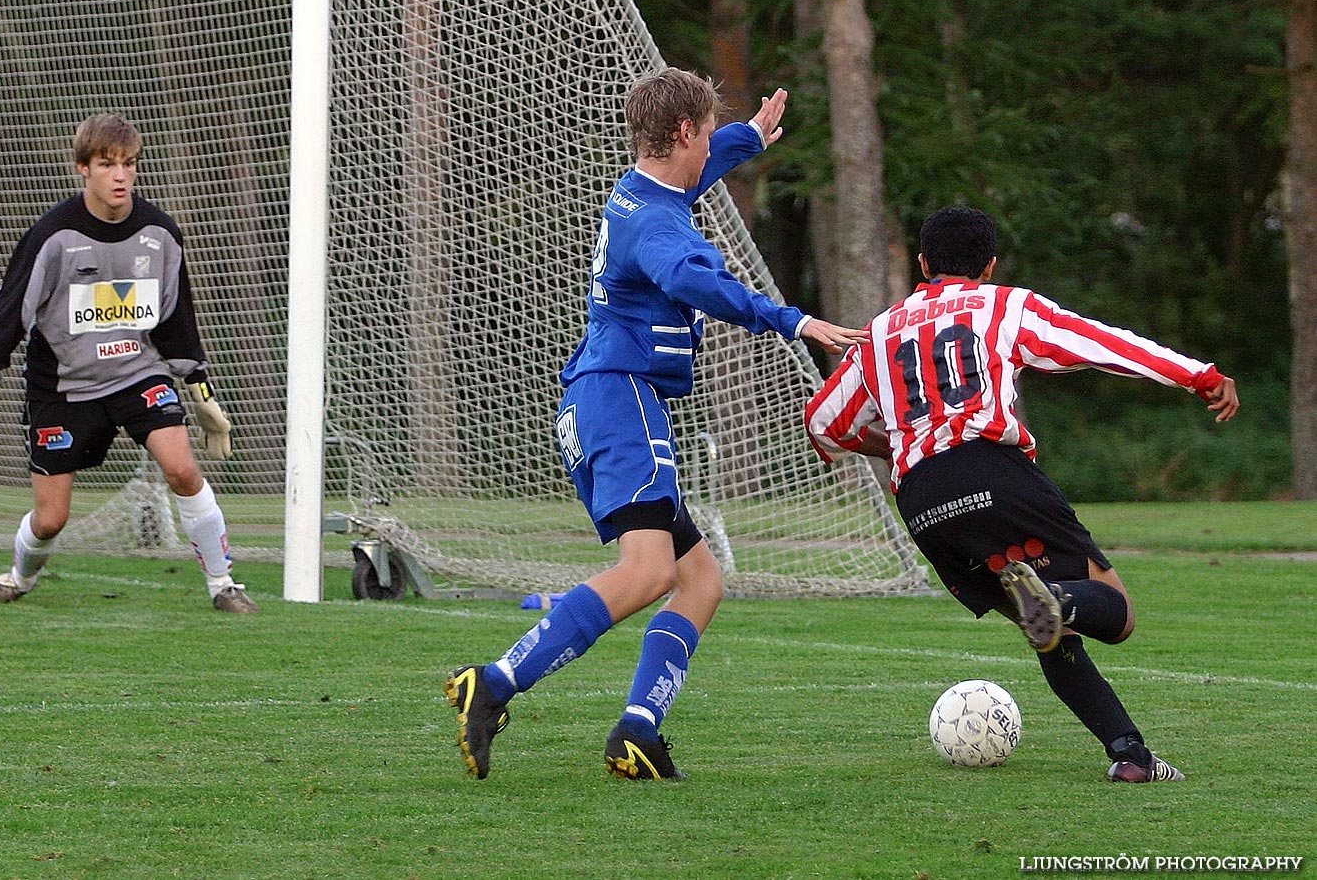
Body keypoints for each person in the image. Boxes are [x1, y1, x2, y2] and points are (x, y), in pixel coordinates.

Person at [444, 68, 868, 780]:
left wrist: (748, 138)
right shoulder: (659, 225)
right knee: (647, 572)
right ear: (680, 134)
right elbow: (693, 280)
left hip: (606, 395)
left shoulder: (647, 186)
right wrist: (788, 318)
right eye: (705, 135)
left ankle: (637, 729)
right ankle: (492, 682)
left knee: (699, 580)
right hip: (622, 399)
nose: (711, 150)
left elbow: (702, 169)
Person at [804, 204, 1239, 783]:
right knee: (1116, 613)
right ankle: (1057, 598)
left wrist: (894, 448)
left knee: (1048, 633)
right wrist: (1200, 375)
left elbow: (824, 422)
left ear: (922, 262)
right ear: (988, 266)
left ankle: (1130, 756)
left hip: (923, 501)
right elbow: (1105, 345)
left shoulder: (878, 332)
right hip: (995, 472)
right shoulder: (1004, 306)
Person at [0, 113, 257, 614]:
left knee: (181, 470)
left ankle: (224, 586)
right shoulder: (53, 236)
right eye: (107, 164)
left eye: (129, 164)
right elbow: (10, 313)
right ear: (82, 169)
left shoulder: (159, 233)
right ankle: (19, 578)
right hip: (64, 388)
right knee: (51, 520)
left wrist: (198, 387)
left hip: (138, 374)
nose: (120, 175)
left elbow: (175, 316)